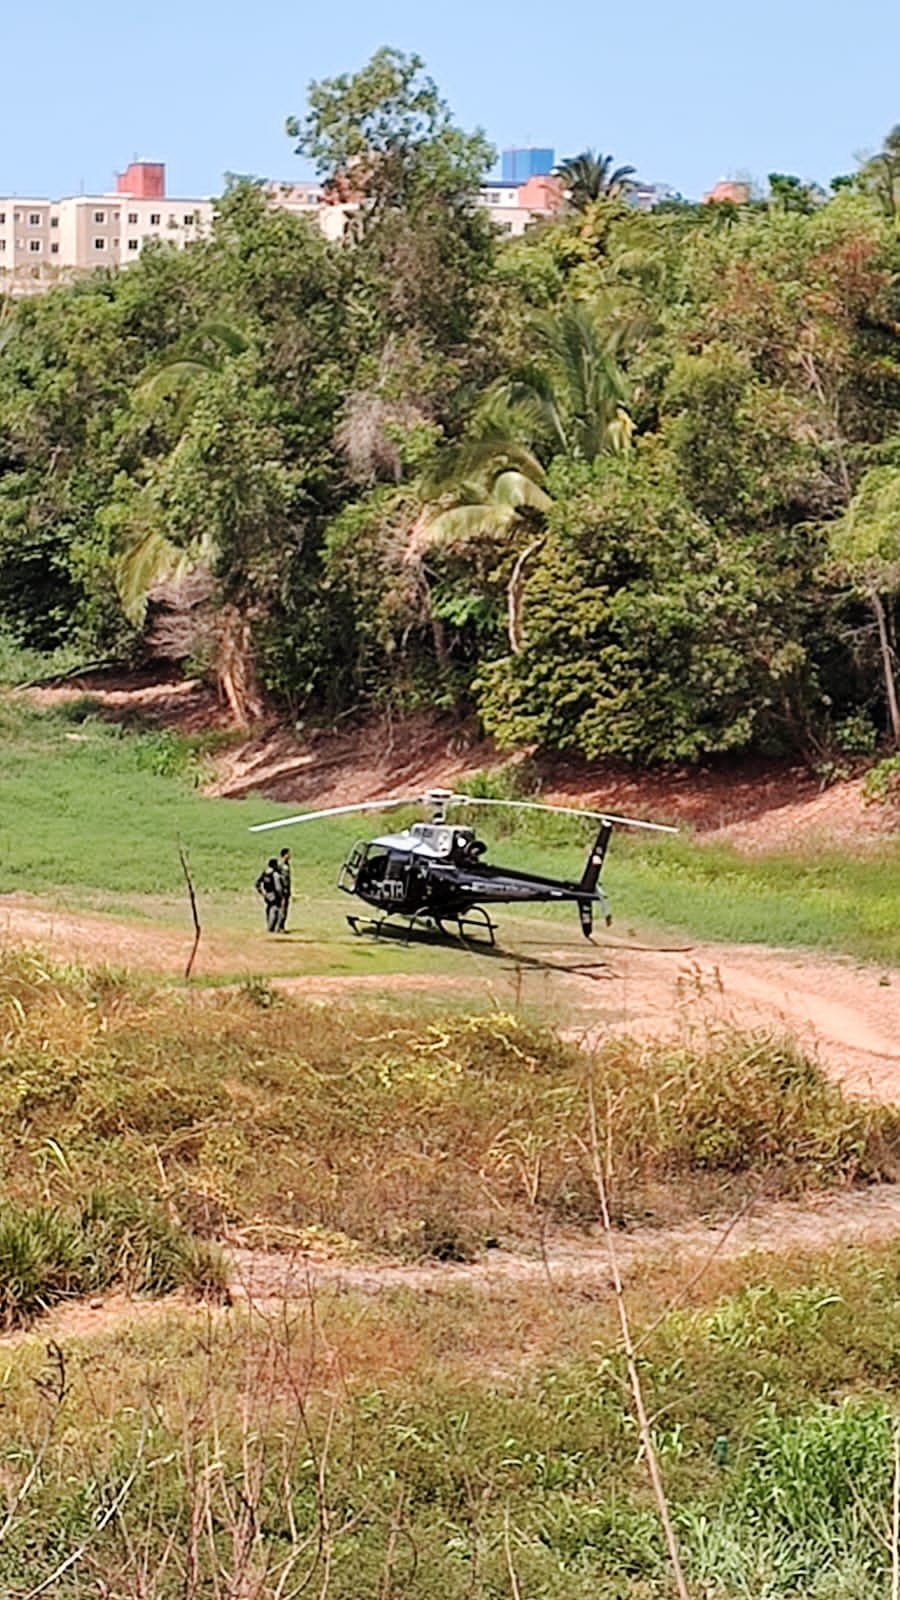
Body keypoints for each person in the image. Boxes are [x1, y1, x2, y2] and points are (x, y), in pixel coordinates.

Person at [255, 857, 284, 933]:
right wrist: (281, 896)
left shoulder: (265, 873)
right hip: (274, 894)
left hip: (267, 893)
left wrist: (262, 893)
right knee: (275, 910)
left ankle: (269, 924)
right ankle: (272, 927)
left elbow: (257, 884)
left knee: (268, 909)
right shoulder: (275, 874)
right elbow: (278, 887)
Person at [276, 847, 292, 931]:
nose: (290, 856)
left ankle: (281, 925)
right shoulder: (280, 865)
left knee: (285, 909)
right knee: (281, 908)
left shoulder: (287, 864)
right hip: (281, 891)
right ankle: (279, 926)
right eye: (288, 854)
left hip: (286, 890)